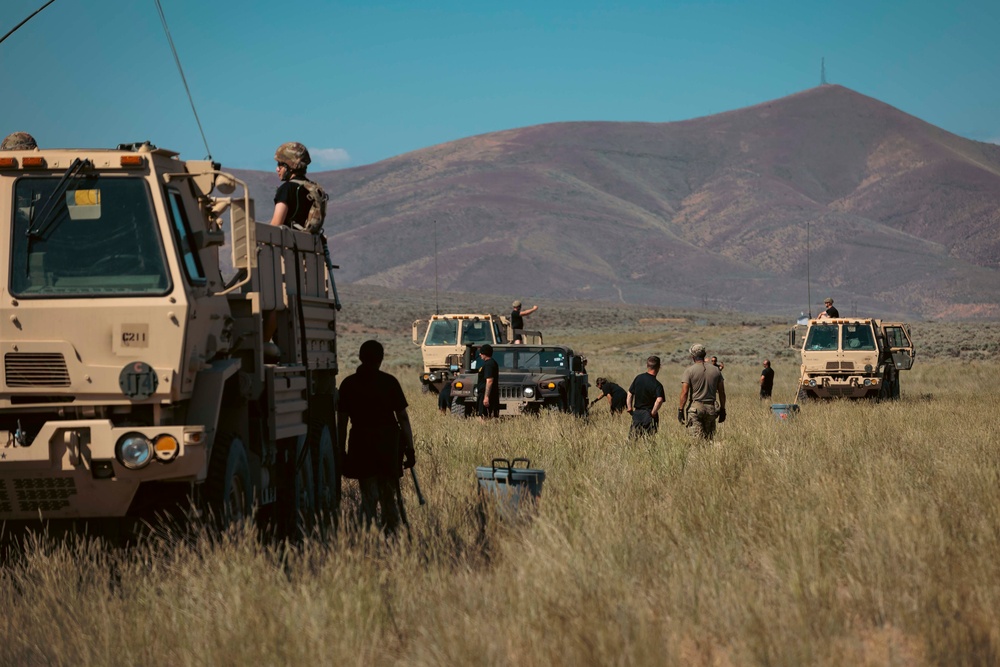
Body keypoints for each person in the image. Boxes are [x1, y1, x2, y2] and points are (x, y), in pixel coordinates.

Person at [337, 340, 416, 535]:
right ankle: (391, 533)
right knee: (389, 493)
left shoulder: (348, 384)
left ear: (360, 358)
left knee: (368, 493)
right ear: (381, 359)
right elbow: (403, 417)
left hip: (361, 442)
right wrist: (410, 448)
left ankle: (368, 533)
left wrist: (340, 450)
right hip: (387, 443)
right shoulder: (389, 382)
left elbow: (342, 422)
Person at [678, 343, 727, 440]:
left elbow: (684, 393)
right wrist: (722, 409)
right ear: (704, 354)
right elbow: (722, 392)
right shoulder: (716, 370)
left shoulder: (689, 371)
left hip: (696, 408)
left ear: (692, 357)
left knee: (696, 440)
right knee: (709, 439)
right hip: (711, 408)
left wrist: (680, 410)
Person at [269, 141, 316, 228]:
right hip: (309, 241)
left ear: (289, 166)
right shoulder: (312, 189)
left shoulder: (287, 189)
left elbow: (275, 226)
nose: (277, 169)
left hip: (290, 240)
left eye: (280, 165)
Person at [626, 356, 665, 438]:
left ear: (647, 365)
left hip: (637, 413)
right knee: (649, 440)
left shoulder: (638, 378)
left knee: (633, 439)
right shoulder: (657, 384)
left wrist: (629, 408)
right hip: (648, 414)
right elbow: (659, 400)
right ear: (659, 366)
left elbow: (629, 393)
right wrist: (653, 413)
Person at [476, 343, 500, 419]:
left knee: (483, 417)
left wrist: (486, 397)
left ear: (485, 353)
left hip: (486, 394)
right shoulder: (489, 363)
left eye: (481, 353)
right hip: (485, 394)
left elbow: (489, 380)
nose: (480, 354)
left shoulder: (489, 364)